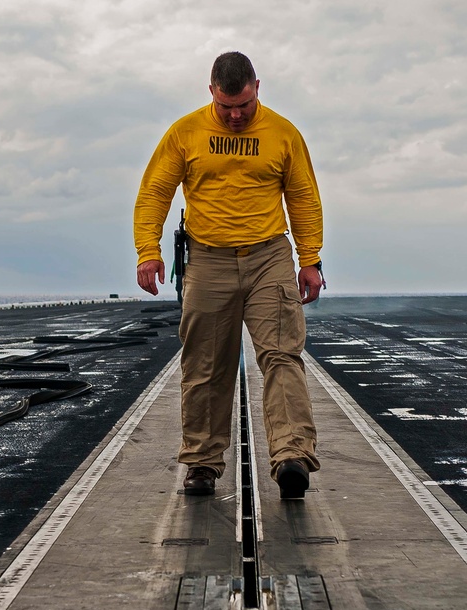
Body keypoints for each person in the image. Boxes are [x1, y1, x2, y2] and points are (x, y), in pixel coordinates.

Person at [133, 51, 324, 499]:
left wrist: (310, 259)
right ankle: (201, 463)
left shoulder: (283, 134)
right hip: (207, 259)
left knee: (281, 355)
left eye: (243, 105)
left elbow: (303, 197)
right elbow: (154, 192)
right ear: (211, 92)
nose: (236, 116)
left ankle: (292, 456)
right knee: (205, 365)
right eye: (226, 107)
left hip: (269, 256)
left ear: (258, 86)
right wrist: (148, 251)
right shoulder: (185, 133)